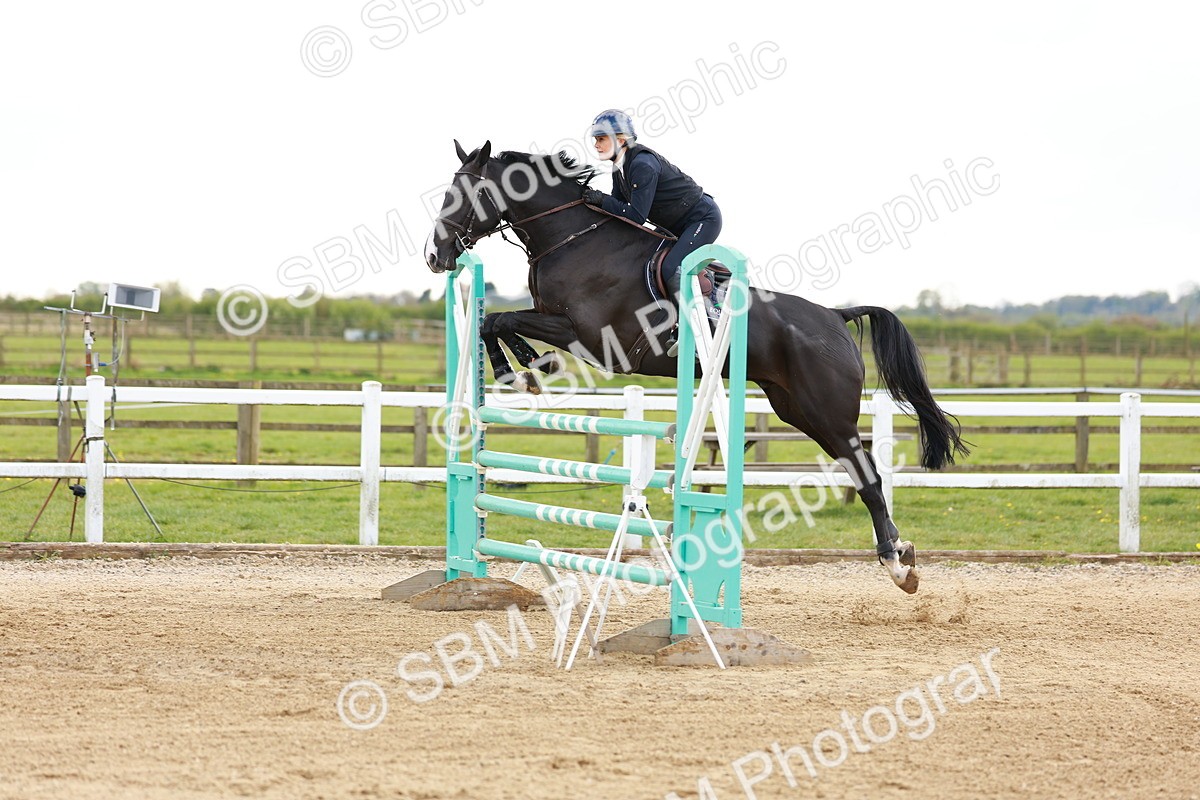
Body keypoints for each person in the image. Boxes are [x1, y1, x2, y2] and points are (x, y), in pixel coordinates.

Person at [581, 109, 722, 357]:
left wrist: (601, 200)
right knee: (645, 262)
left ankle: (696, 331)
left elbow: (636, 216)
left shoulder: (642, 165)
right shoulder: (619, 167)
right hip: (677, 225)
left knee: (670, 268)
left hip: (702, 219)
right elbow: (618, 209)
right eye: (596, 139)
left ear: (620, 140)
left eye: (601, 139)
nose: (596, 144)